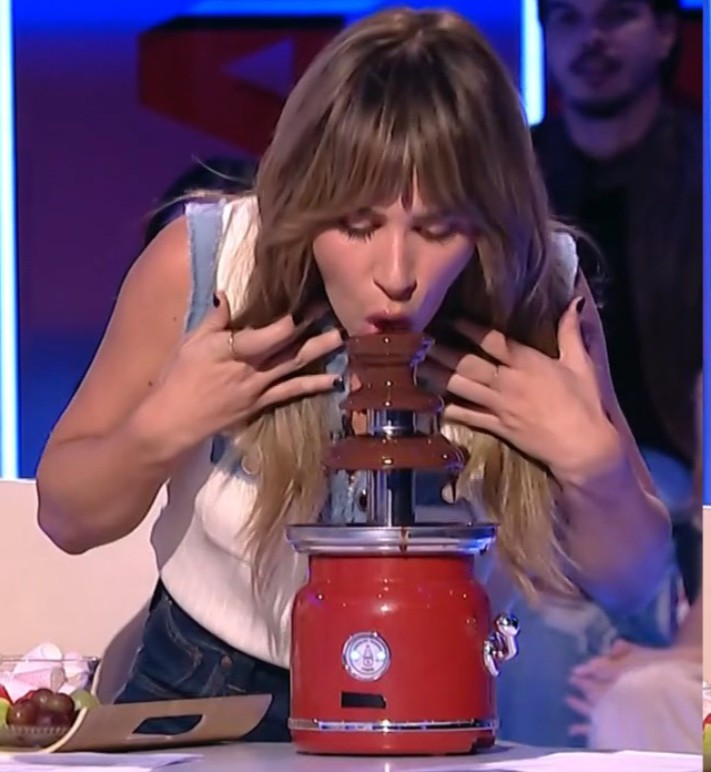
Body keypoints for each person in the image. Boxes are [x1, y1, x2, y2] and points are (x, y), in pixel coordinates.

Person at [35, 7, 671, 743]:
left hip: (441, 698)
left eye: (438, 229)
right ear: (304, 204)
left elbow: (635, 585)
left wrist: (592, 465)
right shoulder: (207, 263)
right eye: (358, 226)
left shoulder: (539, 288)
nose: (395, 274)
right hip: (209, 693)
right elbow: (67, 518)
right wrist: (163, 426)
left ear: (490, 219)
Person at [494, 0, 702, 747]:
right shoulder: (506, 178)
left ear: (667, 32)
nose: (591, 40)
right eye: (568, 20)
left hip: (670, 467)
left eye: (616, 17)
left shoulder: (699, 169)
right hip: (526, 460)